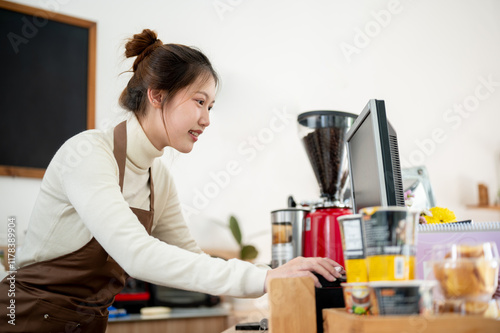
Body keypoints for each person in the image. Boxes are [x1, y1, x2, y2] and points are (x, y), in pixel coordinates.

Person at [0, 29, 343, 332]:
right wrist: (263, 278)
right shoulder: (89, 153)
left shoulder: (158, 177)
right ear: (157, 95)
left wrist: (272, 272)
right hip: (24, 318)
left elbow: (190, 257)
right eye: (199, 102)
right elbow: (135, 254)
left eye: (211, 106)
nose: (206, 119)